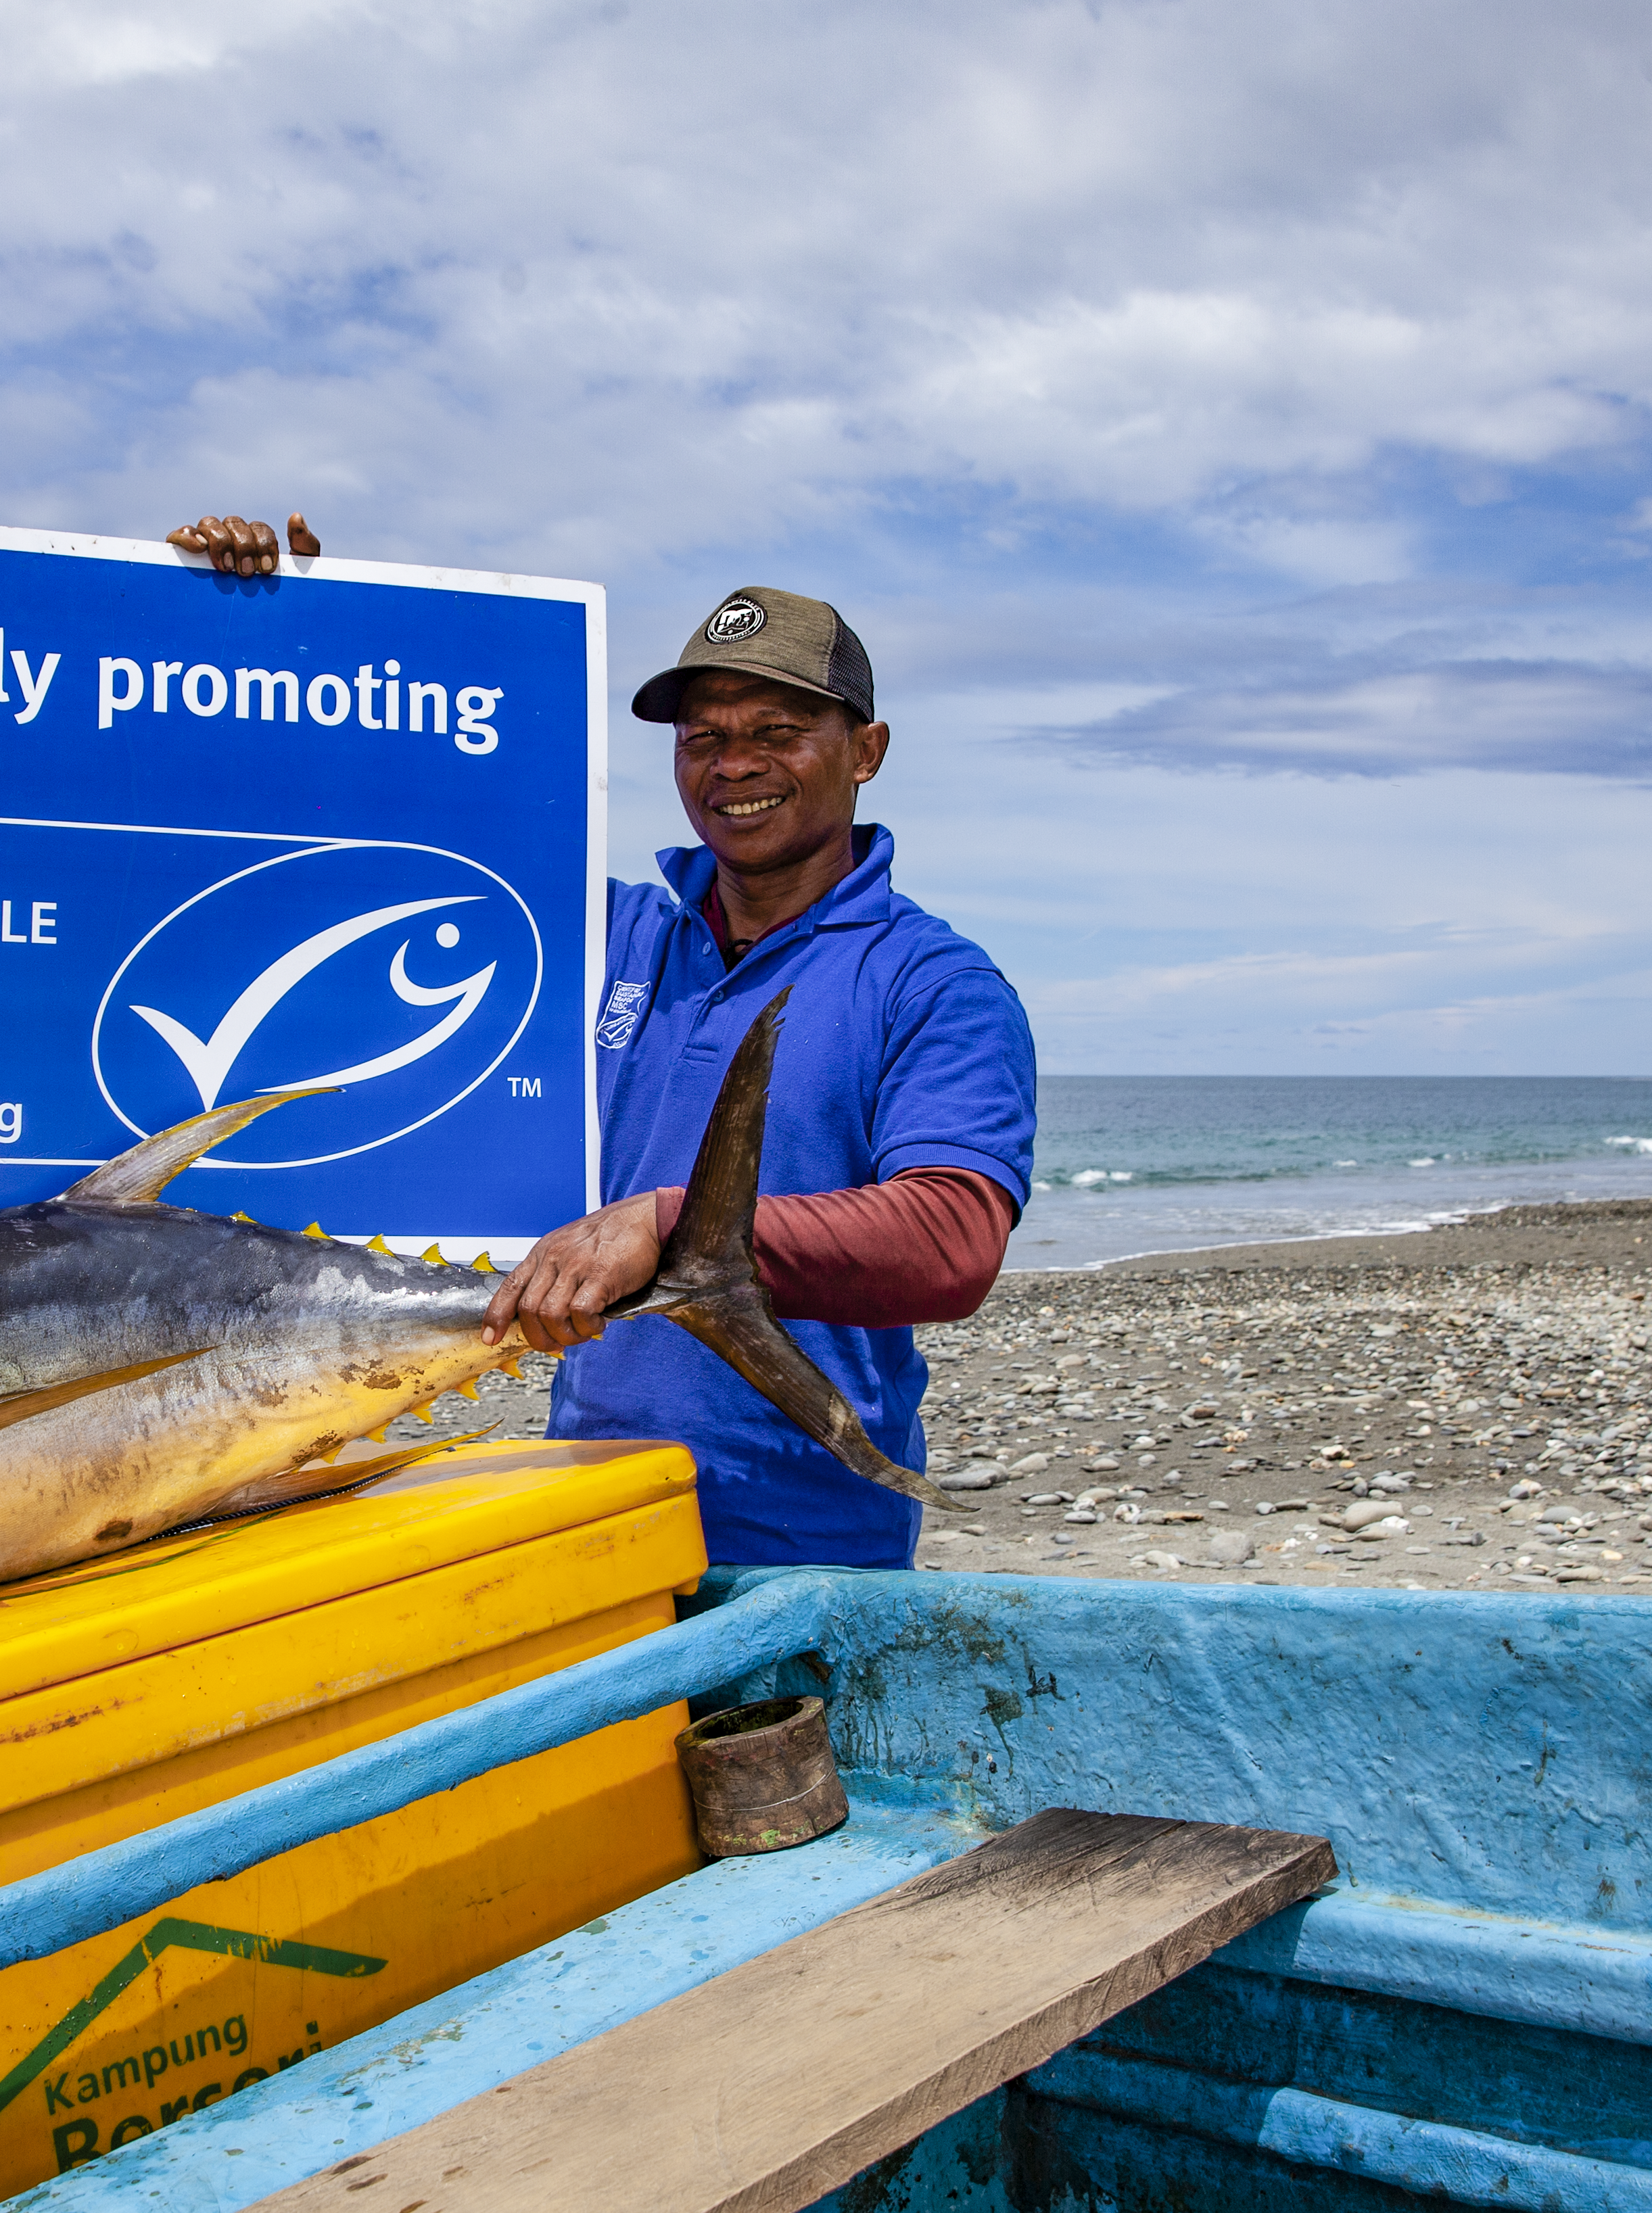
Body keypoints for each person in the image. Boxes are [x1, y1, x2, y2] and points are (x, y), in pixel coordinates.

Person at [166, 517, 1036, 1567]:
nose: (735, 765)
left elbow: (951, 1243)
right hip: (588, 1510)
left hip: (807, 1546)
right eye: (703, 738)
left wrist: (663, 1226)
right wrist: (294, 626)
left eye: (777, 731)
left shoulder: (934, 983)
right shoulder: (599, 938)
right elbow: (378, 843)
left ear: (867, 752)